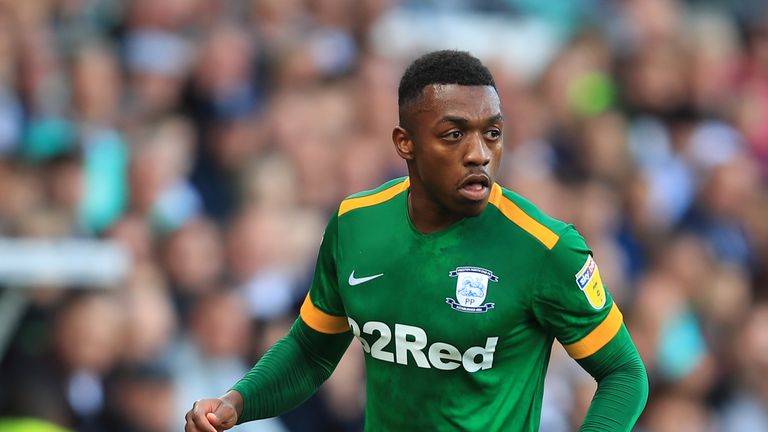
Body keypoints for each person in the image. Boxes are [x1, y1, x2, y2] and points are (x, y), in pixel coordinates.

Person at [185, 50, 648, 431]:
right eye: (453, 135)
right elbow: (310, 351)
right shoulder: (355, 224)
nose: (479, 154)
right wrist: (238, 402)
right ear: (404, 142)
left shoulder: (546, 248)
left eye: (492, 133)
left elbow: (625, 374)